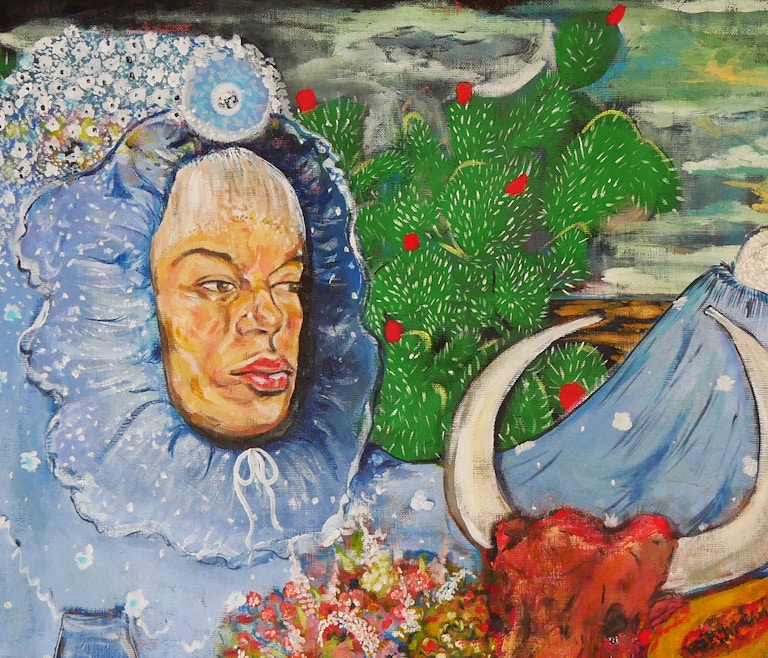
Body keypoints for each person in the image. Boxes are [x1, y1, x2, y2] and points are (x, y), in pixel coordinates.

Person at [0, 30, 378, 656]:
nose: (267, 317)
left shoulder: (374, 523)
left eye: (289, 283)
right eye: (216, 284)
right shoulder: (32, 558)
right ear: (115, 302)